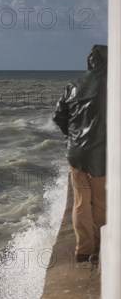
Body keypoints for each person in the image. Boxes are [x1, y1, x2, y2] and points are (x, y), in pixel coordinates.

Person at [53, 45, 107, 264]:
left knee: (80, 203)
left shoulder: (73, 85)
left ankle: (82, 250)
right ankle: (99, 247)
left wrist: (72, 137)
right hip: (100, 154)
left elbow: (59, 116)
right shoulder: (113, 84)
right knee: (100, 203)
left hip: (76, 154)